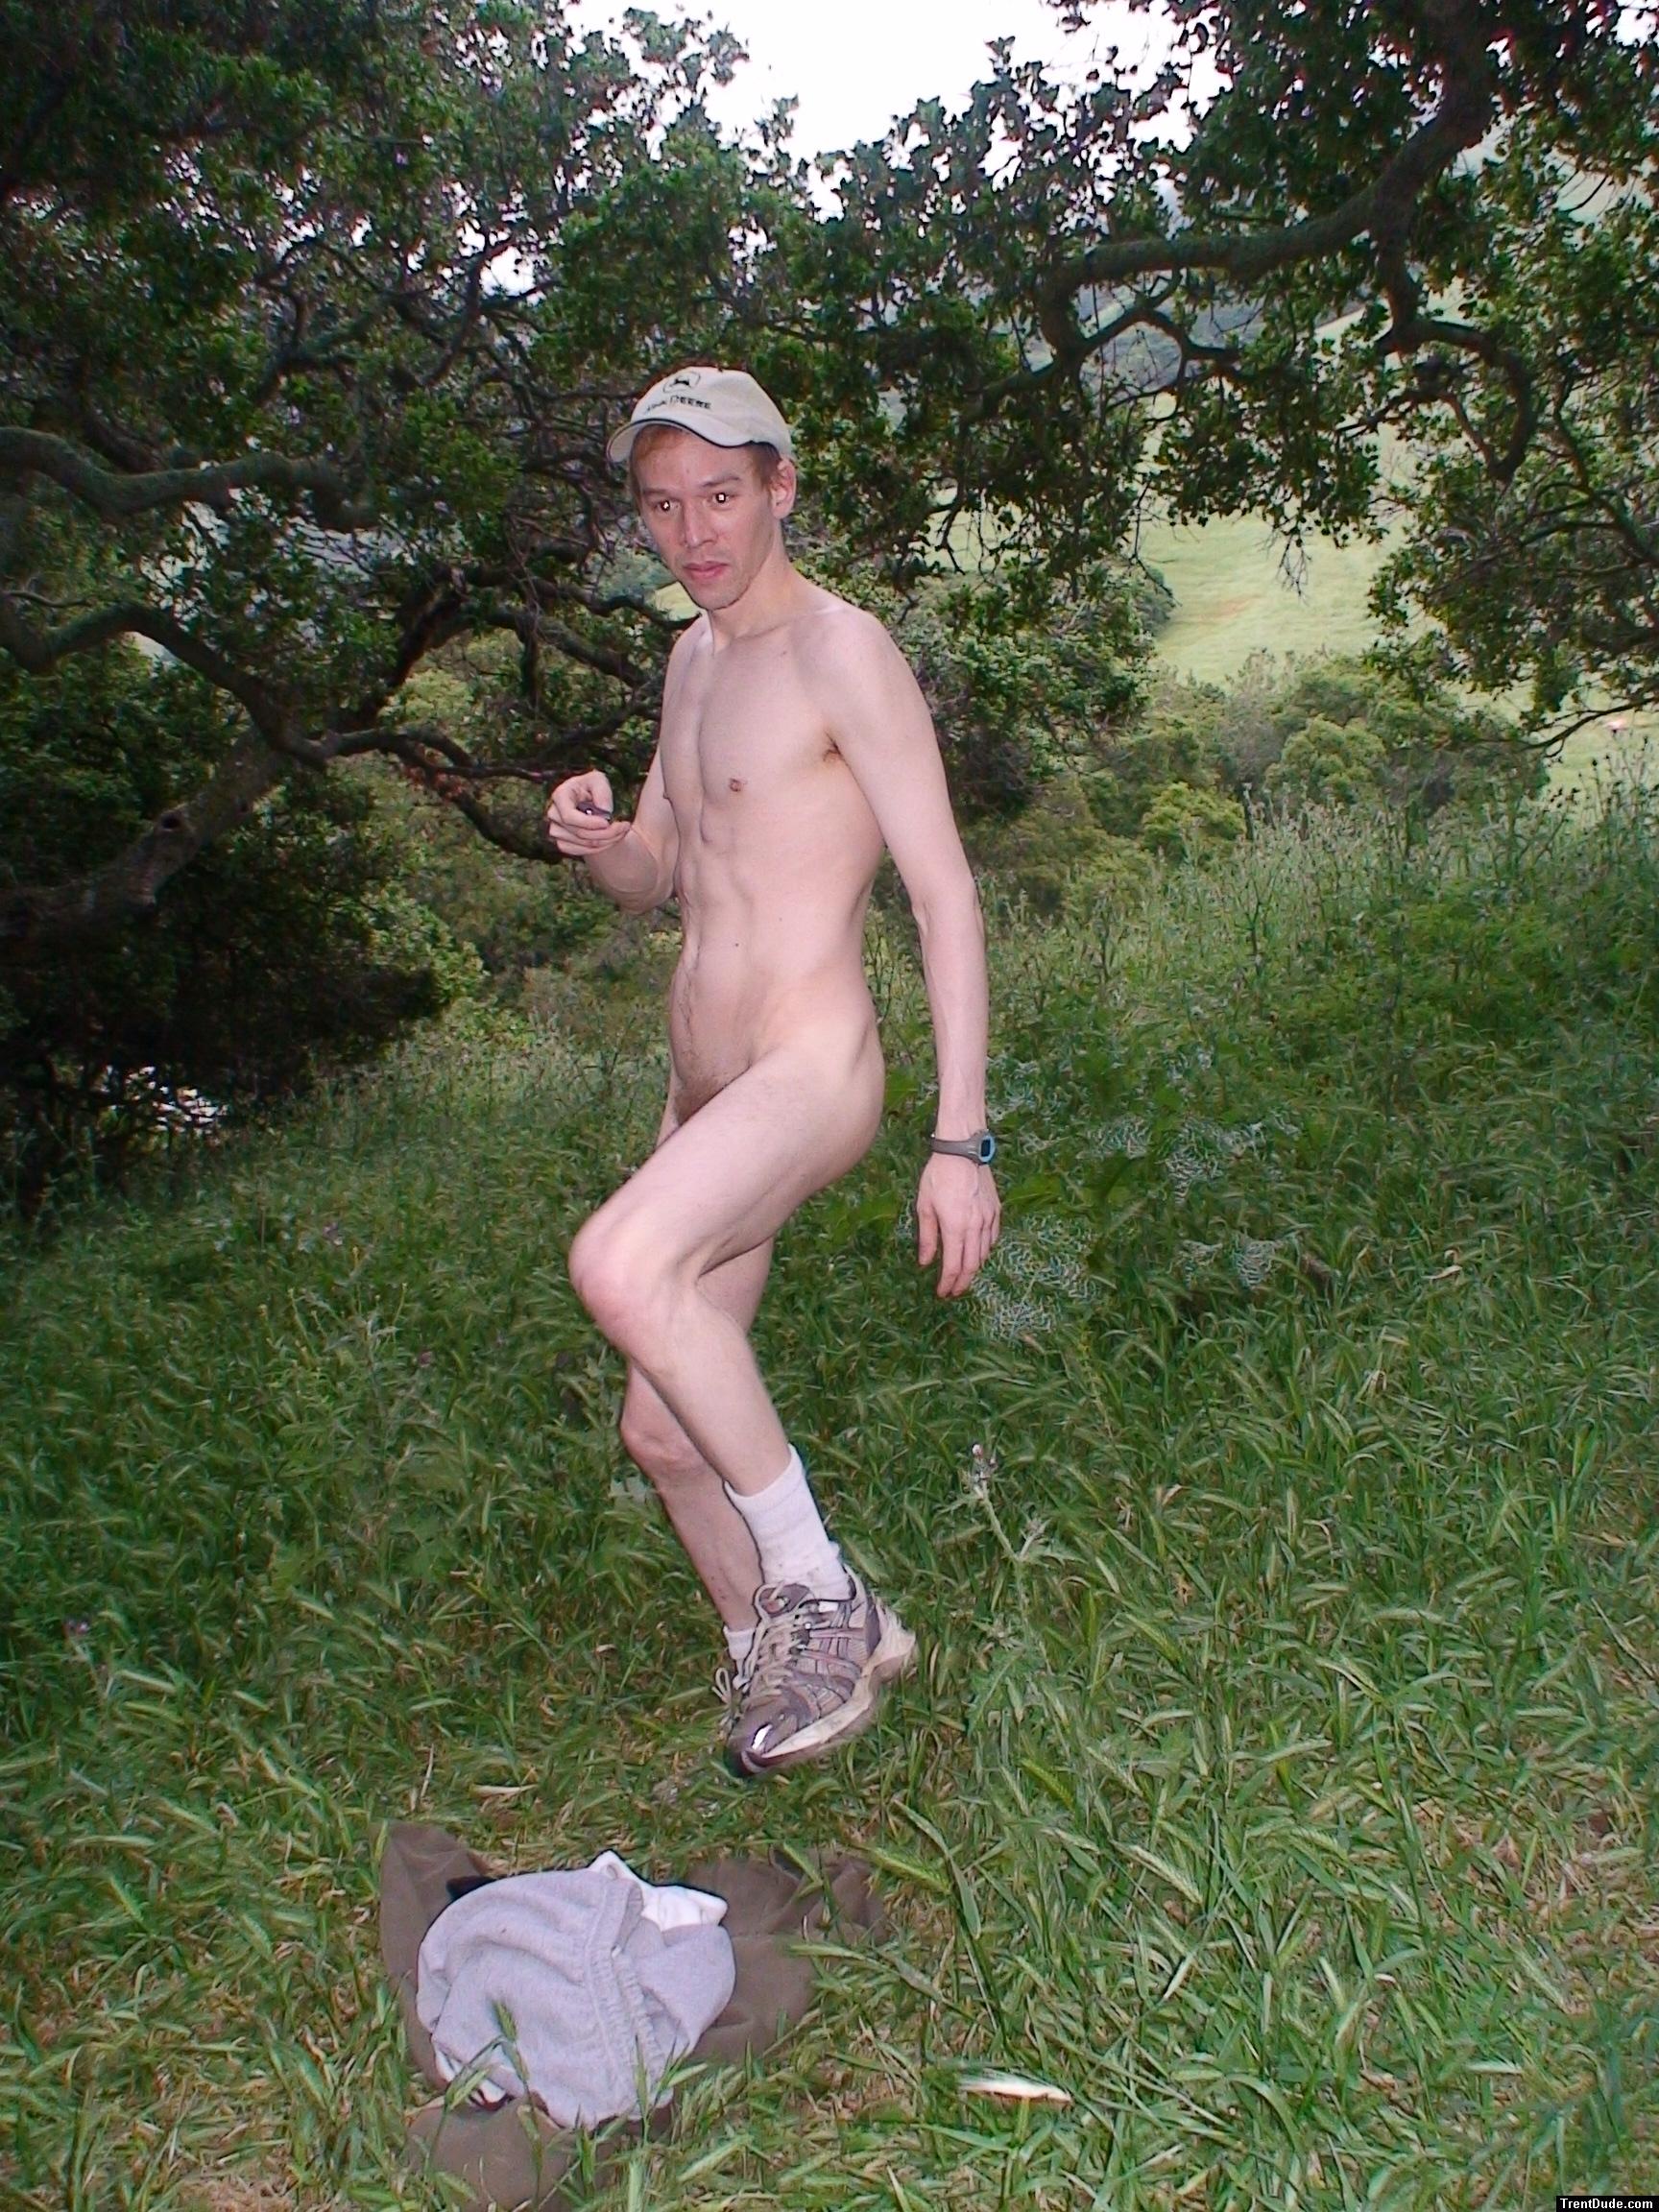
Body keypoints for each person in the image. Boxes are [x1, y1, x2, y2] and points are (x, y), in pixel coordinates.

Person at [545, 364, 999, 1777]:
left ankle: (820, 1594)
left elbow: (944, 893)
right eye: (662, 507)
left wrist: (961, 1139)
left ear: (780, 487)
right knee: (665, 1428)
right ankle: (777, 1658)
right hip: (706, 1091)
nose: (694, 534)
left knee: (620, 1266)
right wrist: (603, 842)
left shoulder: (839, 652)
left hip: (811, 1064)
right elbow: (662, 874)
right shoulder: (691, 661)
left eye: (722, 497)